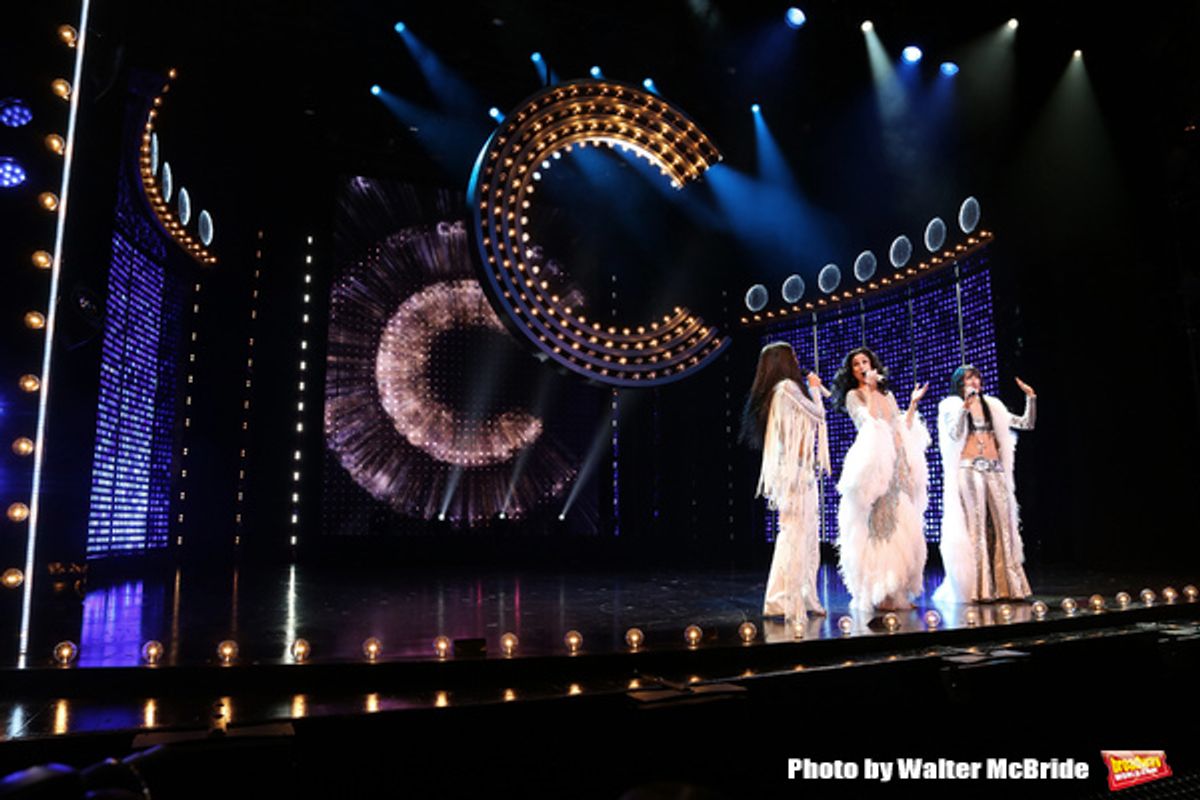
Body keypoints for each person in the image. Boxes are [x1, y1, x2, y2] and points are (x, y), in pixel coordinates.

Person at [830, 347, 930, 611]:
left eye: (865, 361)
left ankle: (896, 590)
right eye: (856, 364)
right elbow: (868, 423)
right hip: (875, 467)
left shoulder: (888, 394)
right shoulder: (854, 396)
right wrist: (871, 392)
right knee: (880, 526)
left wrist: (913, 404)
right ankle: (879, 590)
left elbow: (901, 426)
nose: (862, 366)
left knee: (899, 524)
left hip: (897, 462)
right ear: (851, 371)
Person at [740, 342, 831, 624]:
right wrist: (815, 388)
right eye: (792, 356)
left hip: (797, 471)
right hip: (795, 473)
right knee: (794, 534)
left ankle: (798, 595)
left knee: (803, 534)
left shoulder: (779, 392)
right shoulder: (787, 389)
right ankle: (786, 598)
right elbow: (818, 415)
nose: (797, 359)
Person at [933, 366, 1037, 604]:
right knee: (976, 527)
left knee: (1005, 526)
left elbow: (1026, 424)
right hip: (969, 469)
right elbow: (953, 434)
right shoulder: (950, 405)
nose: (974, 382)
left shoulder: (994, 406)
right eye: (969, 378)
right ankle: (980, 589)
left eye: (977, 378)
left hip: (995, 469)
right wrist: (964, 409)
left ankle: (1009, 586)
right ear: (960, 383)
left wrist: (1031, 398)